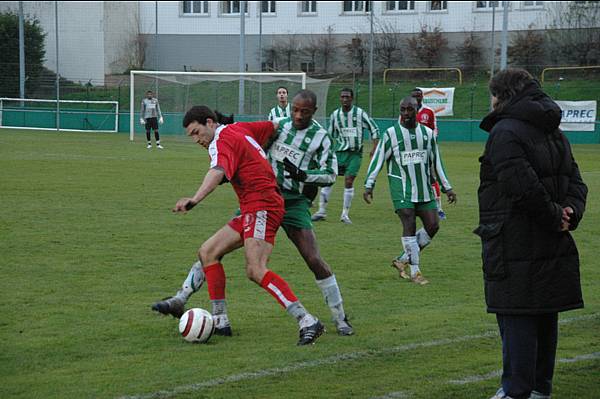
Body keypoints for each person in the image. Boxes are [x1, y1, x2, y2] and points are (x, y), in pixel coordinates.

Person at [151, 106, 325, 346]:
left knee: (255, 269)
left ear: (210, 123)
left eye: (196, 132)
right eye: (191, 135)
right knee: (208, 252)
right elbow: (273, 127)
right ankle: (220, 321)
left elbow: (217, 172)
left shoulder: (221, 141)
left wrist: (194, 199)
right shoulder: (239, 129)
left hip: (263, 204)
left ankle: (307, 320)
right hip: (252, 206)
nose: (196, 139)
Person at [476, 68, 587, 399]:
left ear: (503, 96)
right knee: (543, 309)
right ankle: (539, 387)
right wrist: (570, 211)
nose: (491, 102)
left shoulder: (506, 132)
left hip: (515, 237)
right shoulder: (554, 131)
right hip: (548, 237)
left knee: (518, 312)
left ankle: (516, 389)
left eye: (493, 95)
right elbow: (576, 181)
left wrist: (556, 216)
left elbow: (521, 187)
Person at [266, 89, 353, 335]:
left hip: (294, 203)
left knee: (313, 259)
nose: (298, 115)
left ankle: (340, 317)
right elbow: (257, 148)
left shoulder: (321, 137)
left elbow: (331, 174)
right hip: (265, 198)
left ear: (314, 112)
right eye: (295, 109)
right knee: (224, 240)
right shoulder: (278, 126)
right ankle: (184, 295)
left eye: (304, 112)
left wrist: (304, 176)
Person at [363, 96, 456, 285]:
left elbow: (436, 161)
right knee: (409, 225)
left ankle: (402, 259)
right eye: (402, 110)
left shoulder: (428, 134)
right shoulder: (391, 134)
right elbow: (378, 159)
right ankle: (415, 272)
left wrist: (447, 187)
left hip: (423, 189)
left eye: (409, 110)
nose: (405, 113)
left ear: (417, 111)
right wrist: (369, 184)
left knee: (433, 225)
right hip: (402, 189)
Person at [312, 88, 379, 224]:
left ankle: (344, 214)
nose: (344, 99)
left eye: (347, 97)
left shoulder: (360, 113)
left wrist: (374, 148)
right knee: (328, 179)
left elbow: (374, 129)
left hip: (355, 154)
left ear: (352, 98)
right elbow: (330, 136)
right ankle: (321, 211)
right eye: (342, 97)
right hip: (339, 153)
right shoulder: (335, 115)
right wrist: (325, 152)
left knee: (349, 181)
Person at [411, 88, 445, 220]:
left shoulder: (429, 111)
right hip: (411, 151)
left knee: (432, 178)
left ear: (422, 97)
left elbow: (434, 128)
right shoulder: (406, 111)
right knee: (413, 177)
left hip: (427, 151)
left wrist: (431, 142)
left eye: (418, 96)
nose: (416, 98)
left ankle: (439, 208)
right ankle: (414, 207)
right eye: (414, 96)